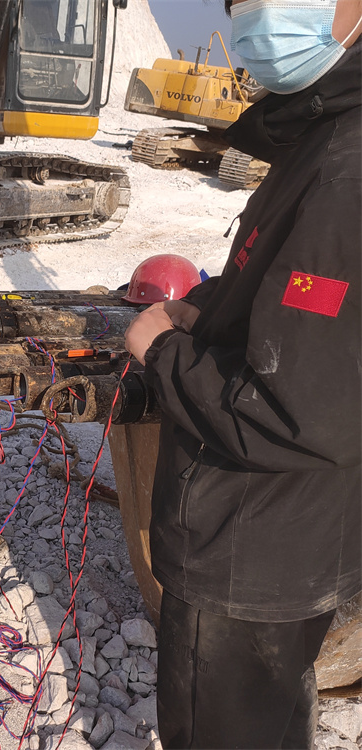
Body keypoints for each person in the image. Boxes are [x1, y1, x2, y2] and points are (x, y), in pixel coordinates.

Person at [124, 1, 361, 747]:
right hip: (295, 537)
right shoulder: (323, 135)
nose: (254, 17)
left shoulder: (344, 171)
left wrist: (162, 352)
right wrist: (210, 315)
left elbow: (293, 408)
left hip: (252, 543)